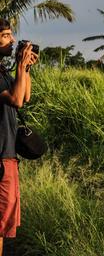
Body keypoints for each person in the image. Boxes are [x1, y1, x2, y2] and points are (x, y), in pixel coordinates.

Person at [0, 18, 38, 255]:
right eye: (5, 35)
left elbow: (24, 98)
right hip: (1, 160)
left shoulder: (2, 71)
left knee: (2, 228)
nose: (12, 40)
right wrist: (20, 66)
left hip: (7, 157)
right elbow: (15, 99)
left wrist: (24, 68)